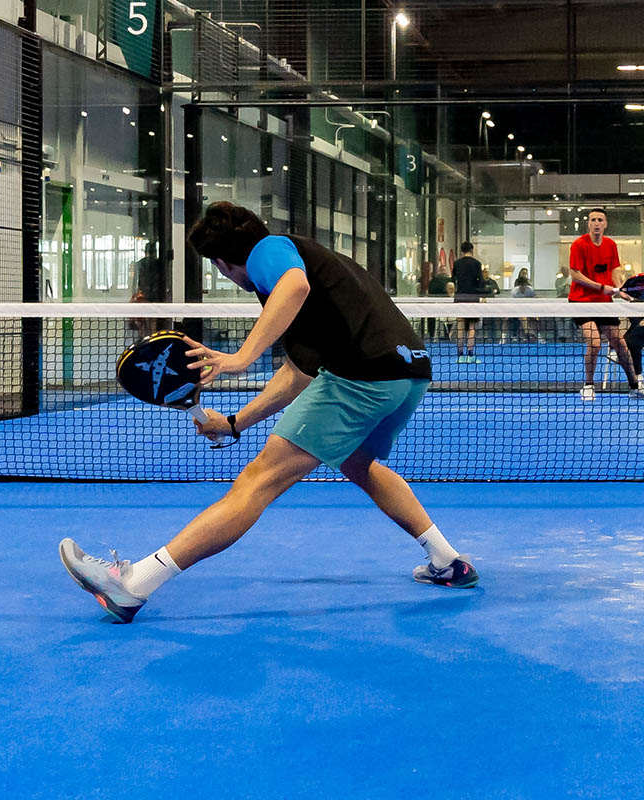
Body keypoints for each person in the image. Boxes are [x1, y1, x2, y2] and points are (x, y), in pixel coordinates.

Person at [58, 202, 478, 623]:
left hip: (361, 377)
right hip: (409, 375)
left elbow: (293, 286)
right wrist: (234, 423)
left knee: (256, 482)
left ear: (222, 263)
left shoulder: (268, 251)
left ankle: (134, 584)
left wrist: (241, 357)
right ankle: (446, 560)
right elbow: (298, 374)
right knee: (358, 463)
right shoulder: (318, 272)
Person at [567, 208, 644, 400]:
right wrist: (601, 287)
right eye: (593, 220)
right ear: (588, 224)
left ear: (605, 224)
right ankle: (588, 386)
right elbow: (575, 274)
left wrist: (620, 288)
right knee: (594, 343)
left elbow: (615, 270)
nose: (596, 223)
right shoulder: (579, 245)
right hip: (581, 302)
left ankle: (634, 387)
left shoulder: (610, 245)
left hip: (604, 303)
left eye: (600, 220)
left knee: (621, 345)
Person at [452, 241, 483, 363]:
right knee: (471, 327)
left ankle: (460, 355)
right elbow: (480, 282)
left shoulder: (457, 263)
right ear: (472, 250)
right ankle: (470, 355)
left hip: (460, 297)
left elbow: (453, 279)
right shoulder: (477, 264)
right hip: (472, 297)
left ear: (461, 251)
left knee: (460, 327)